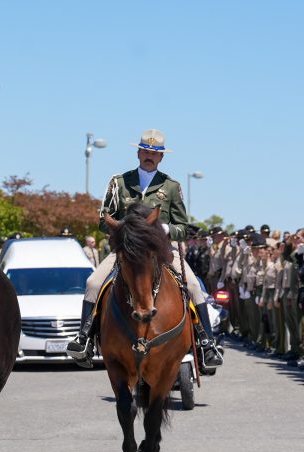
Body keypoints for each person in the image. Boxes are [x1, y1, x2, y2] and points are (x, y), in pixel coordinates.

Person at [67, 129, 223, 369]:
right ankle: (84, 338)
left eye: (155, 153)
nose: (149, 155)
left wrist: (165, 229)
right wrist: (124, 230)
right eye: (146, 151)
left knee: (193, 286)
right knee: (93, 283)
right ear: (138, 152)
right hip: (127, 248)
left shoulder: (171, 186)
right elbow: (102, 220)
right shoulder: (119, 183)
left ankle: (207, 343)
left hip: (160, 249)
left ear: (161, 157)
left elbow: (183, 227)